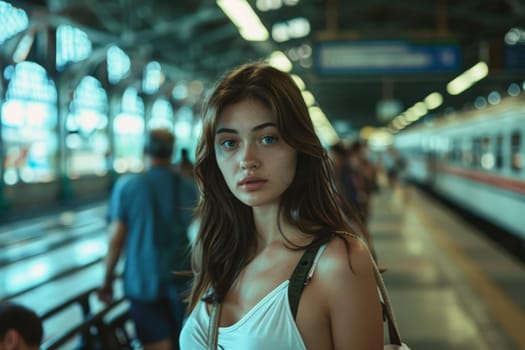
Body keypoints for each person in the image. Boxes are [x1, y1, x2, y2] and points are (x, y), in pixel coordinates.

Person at [179, 62, 383, 349]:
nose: (247, 159)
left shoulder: (336, 263)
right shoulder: (216, 250)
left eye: (267, 138)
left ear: (299, 146)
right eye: (229, 143)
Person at [98, 128, 198, 350]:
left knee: (156, 343)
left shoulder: (127, 187)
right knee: (184, 340)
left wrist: (106, 281)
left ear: (144, 150)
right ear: (171, 152)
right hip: (182, 278)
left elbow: (116, 241)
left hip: (142, 280)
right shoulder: (188, 188)